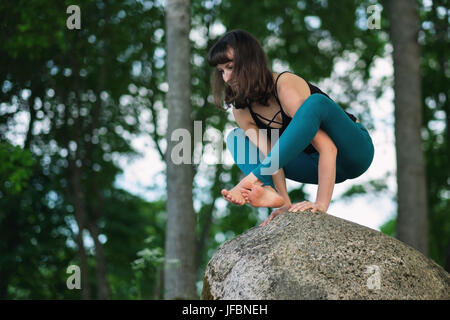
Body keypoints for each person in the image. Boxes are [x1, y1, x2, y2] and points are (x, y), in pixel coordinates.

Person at [206, 29, 374, 226]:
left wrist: (321, 204)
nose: (226, 78)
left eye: (230, 67)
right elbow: (272, 157)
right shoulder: (242, 110)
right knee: (236, 138)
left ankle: (253, 179)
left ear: (250, 62)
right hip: (312, 166)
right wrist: (284, 202)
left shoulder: (284, 85)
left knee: (315, 103)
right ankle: (270, 192)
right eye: (221, 71)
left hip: (353, 153)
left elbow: (328, 147)